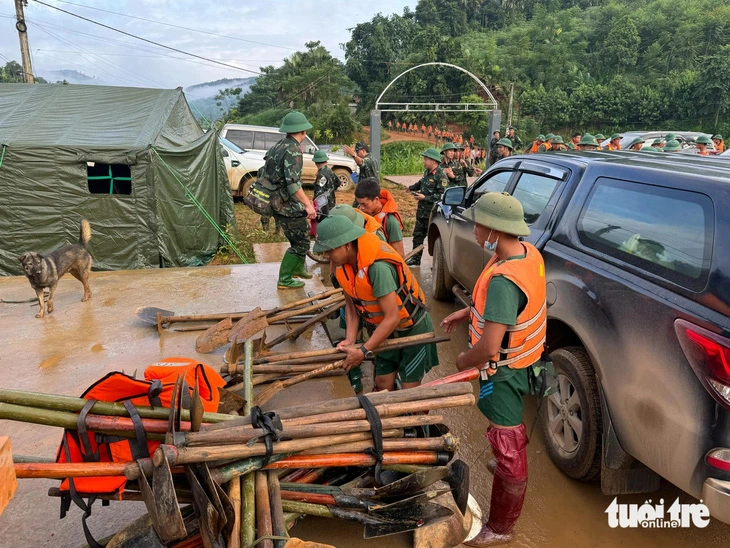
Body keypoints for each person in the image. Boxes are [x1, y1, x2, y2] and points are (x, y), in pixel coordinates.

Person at [440, 192, 546, 547]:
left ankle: (501, 526)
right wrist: (466, 312)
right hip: (517, 362)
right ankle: (505, 472)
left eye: (478, 222)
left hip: (503, 370)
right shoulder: (523, 254)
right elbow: (500, 315)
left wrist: (461, 362)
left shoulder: (504, 280)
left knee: (508, 441)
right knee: (505, 426)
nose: (474, 227)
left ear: (495, 229)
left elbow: (487, 347)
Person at [314, 216, 439, 391]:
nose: (326, 256)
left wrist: (363, 351)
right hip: (384, 334)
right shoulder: (344, 267)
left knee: (410, 388)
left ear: (347, 244)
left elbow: (392, 318)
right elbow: (351, 306)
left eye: (329, 250)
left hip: (412, 331)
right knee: (382, 384)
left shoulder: (378, 269)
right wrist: (350, 339)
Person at [264, 111, 317, 290]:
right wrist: (308, 205)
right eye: (305, 131)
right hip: (286, 204)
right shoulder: (293, 150)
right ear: (302, 131)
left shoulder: (278, 146)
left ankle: (298, 269)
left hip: (275, 201)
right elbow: (293, 183)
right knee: (301, 241)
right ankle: (285, 279)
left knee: (300, 234)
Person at [406, 148, 449, 266]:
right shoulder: (427, 173)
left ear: (434, 161)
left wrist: (425, 198)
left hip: (432, 214)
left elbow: (442, 196)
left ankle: (437, 264)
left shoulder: (441, 176)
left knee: (434, 240)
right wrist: (411, 188)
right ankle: (415, 259)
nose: (424, 161)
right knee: (417, 236)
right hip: (422, 212)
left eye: (426, 159)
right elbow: (421, 183)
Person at [354, 177, 405, 257]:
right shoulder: (359, 213)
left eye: (364, 204)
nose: (361, 208)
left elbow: (399, 253)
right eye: (359, 204)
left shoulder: (390, 221)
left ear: (376, 199)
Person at [312, 150, 339, 216]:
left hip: (323, 207)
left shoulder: (320, 175)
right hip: (332, 202)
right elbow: (338, 183)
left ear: (316, 163)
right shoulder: (330, 171)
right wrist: (330, 191)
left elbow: (319, 193)